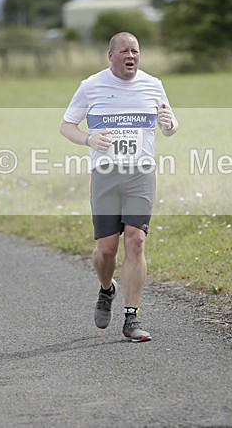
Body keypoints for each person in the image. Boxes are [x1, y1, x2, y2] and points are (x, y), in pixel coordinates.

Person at [60, 32, 178, 342]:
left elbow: (170, 125)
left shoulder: (153, 84)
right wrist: (89, 139)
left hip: (140, 173)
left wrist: (168, 125)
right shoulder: (91, 86)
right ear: (110, 55)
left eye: (136, 51)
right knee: (106, 250)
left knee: (136, 241)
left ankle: (132, 318)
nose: (132, 56)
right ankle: (106, 289)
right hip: (106, 175)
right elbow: (66, 126)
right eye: (125, 51)